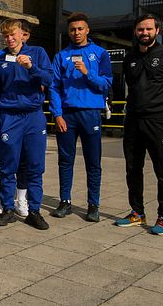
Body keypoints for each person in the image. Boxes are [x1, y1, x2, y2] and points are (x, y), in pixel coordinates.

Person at [115, 14, 163, 235]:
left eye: (148, 29)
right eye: (140, 30)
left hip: (159, 121)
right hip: (134, 122)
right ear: (135, 32)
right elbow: (132, 85)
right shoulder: (130, 59)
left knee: (162, 169)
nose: (144, 33)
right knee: (132, 169)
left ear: (157, 31)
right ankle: (137, 212)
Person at [49, 12, 112, 222]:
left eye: (80, 29)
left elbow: (106, 84)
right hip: (67, 115)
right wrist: (57, 115)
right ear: (69, 31)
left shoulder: (100, 54)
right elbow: (54, 87)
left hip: (90, 114)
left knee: (93, 162)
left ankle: (93, 205)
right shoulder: (61, 56)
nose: (76, 33)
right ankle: (65, 201)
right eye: (73, 29)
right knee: (65, 161)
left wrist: (88, 72)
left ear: (87, 30)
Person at [0, 19, 52, 230]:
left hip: (34, 116)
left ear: (22, 34)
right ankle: (8, 208)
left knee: (35, 165)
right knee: (7, 165)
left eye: (13, 34)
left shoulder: (37, 53)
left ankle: (34, 211)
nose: (10, 38)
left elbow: (50, 79)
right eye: (6, 35)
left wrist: (31, 67)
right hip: (9, 117)